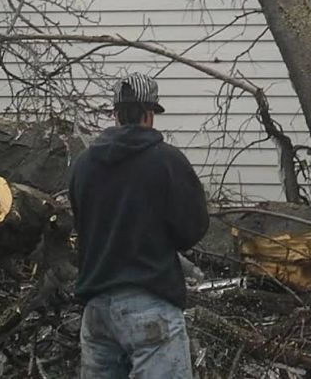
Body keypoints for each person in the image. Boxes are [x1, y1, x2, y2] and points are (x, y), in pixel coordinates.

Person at [69, 73, 210, 379]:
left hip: (96, 311)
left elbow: (81, 223)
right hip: (150, 308)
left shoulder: (83, 165)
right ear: (149, 114)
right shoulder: (167, 161)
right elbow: (193, 228)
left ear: (115, 114)